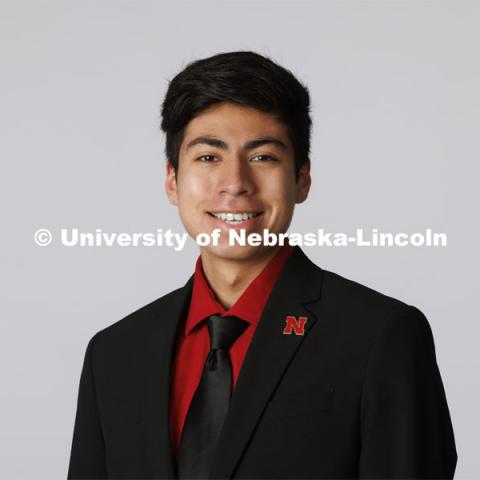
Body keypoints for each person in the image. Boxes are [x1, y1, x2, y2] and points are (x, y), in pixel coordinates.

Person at [67, 51, 457, 479]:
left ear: (302, 179)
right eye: (208, 157)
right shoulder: (114, 353)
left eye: (262, 157)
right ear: (173, 181)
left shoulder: (380, 337)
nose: (234, 183)